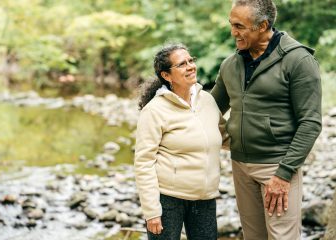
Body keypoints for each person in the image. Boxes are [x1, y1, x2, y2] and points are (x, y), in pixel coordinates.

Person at [210, 0, 322, 239]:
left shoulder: (298, 61)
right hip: (240, 165)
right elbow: (209, 109)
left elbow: (310, 123)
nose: (233, 32)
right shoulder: (230, 64)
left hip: (277, 165)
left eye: (239, 26)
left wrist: (284, 174)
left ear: (262, 25)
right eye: (231, 24)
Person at [134, 43, 227, 240]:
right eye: (182, 64)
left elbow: (224, 137)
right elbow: (144, 163)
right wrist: (151, 211)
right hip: (168, 199)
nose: (190, 66)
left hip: (205, 198)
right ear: (166, 75)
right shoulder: (154, 111)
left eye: (191, 60)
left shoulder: (208, 101)